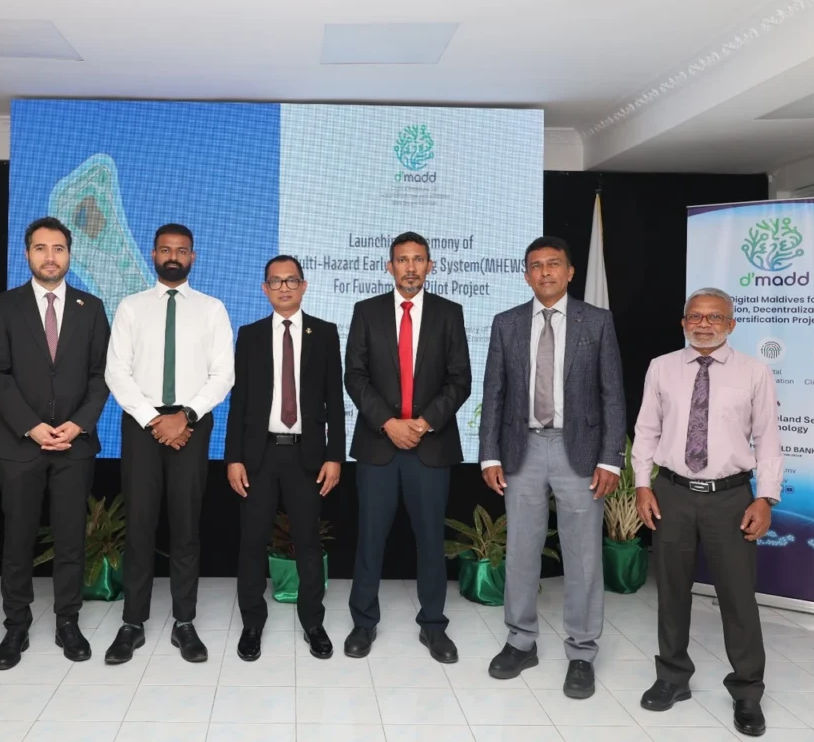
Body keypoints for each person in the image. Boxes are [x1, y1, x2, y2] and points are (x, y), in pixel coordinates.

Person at [478, 235, 625, 700]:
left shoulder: (596, 321)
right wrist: (490, 454)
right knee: (521, 551)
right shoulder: (506, 323)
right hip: (520, 449)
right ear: (526, 275)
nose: (545, 272)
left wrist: (611, 458)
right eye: (536, 265)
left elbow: (612, 394)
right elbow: (494, 392)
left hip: (578, 451)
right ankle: (521, 642)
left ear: (570, 272)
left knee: (583, 556)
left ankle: (581, 652)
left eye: (553, 264)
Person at [631, 287, 780, 737]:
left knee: (738, 596)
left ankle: (747, 691)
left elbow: (768, 439)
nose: (703, 324)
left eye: (715, 317)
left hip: (731, 498)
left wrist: (765, 497)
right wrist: (642, 485)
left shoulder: (754, 372)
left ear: (731, 324)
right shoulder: (661, 367)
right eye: (695, 316)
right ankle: (672, 677)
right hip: (672, 493)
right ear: (683, 323)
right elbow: (646, 430)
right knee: (671, 590)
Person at [103, 223, 235, 664]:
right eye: (165, 249)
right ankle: (132, 623)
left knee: (185, 525)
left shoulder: (212, 309)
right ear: (153, 254)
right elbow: (116, 371)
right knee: (139, 524)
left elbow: (223, 374)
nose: (173, 256)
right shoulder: (131, 307)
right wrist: (153, 420)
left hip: (191, 426)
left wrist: (186, 417)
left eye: (181, 250)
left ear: (193, 257)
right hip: (142, 425)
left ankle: (184, 622)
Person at [0, 217, 111, 669]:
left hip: (74, 445)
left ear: (70, 254)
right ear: (27, 254)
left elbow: (101, 376)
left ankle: (67, 622)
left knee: (71, 539)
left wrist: (78, 425)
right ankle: (15, 626)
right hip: (20, 445)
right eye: (41, 248)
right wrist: (31, 426)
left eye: (58, 248)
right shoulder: (4, 305)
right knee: (17, 540)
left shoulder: (91, 307)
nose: (50, 257)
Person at [343, 231, 471, 663]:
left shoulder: (450, 313)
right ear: (389, 266)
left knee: (431, 540)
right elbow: (355, 375)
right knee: (370, 538)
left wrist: (424, 423)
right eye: (402, 259)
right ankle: (363, 622)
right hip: (378, 444)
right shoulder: (366, 311)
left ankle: (433, 626)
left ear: (430, 266)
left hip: (430, 446)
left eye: (418, 260)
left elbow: (460, 379)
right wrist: (388, 423)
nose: (411, 267)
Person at [226, 255, 345, 661]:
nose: (283, 288)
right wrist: (233, 457)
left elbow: (334, 400)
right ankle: (252, 623)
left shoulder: (324, 333)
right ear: (265, 289)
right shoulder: (250, 335)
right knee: (251, 542)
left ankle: (313, 622)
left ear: (303, 286)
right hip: (258, 456)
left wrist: (335, 455)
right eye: (275, 281)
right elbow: (239, 402)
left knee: (308, 542)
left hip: (306, 456)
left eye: (291, 280)